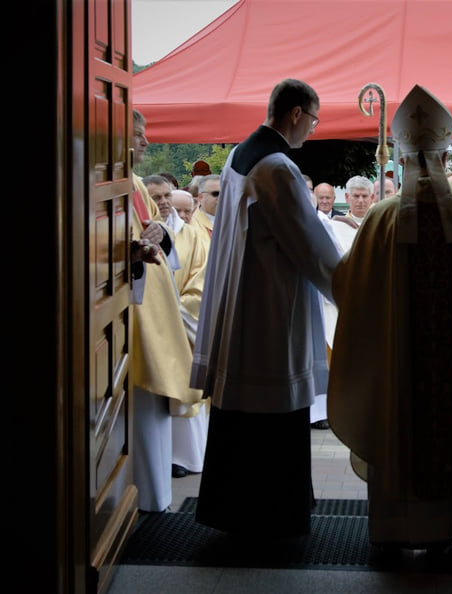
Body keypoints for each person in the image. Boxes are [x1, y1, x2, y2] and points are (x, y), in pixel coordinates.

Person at [327, 84, 452, 551]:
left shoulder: (380, 217)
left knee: (400, 423)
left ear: (402, 156)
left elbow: (349, 289)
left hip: (399, 369)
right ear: (443, 154)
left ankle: (399, 529)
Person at [191, 78, 342, 541]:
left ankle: (234, 509)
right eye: (312, 120)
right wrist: (356, 291)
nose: (311, 131)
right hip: (271, 310)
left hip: (244, 302)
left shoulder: (241, 154)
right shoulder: (278, 167)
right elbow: (311, 246)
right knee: (273, 410)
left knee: (240, 413)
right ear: (295, 114)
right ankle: (273, 515)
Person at [130, 111, 203, 513]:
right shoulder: (103, 184)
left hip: (156, 312)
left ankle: (154, 500)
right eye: (137, 135)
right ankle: (141, 501)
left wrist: (159, 236)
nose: (145, 142)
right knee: (141, 414)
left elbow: (157, 233)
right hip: (131, 318)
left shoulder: (136, 184)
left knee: (153, 417)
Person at [142, 178, 211, 479]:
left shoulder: (194, 236)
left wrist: (177, 312)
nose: (165, 202)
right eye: (156, 196)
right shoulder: (142, 231)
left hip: (183, 324)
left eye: (167, 195)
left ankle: (187, 456)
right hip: (153, 326)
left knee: (186, 388)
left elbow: (201, 278)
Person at [193, 174, 220, 240]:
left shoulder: (235, 221)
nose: (221, 198)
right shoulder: (191, 224)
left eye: (224, 193)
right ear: (200, 197)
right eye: (216, 194)